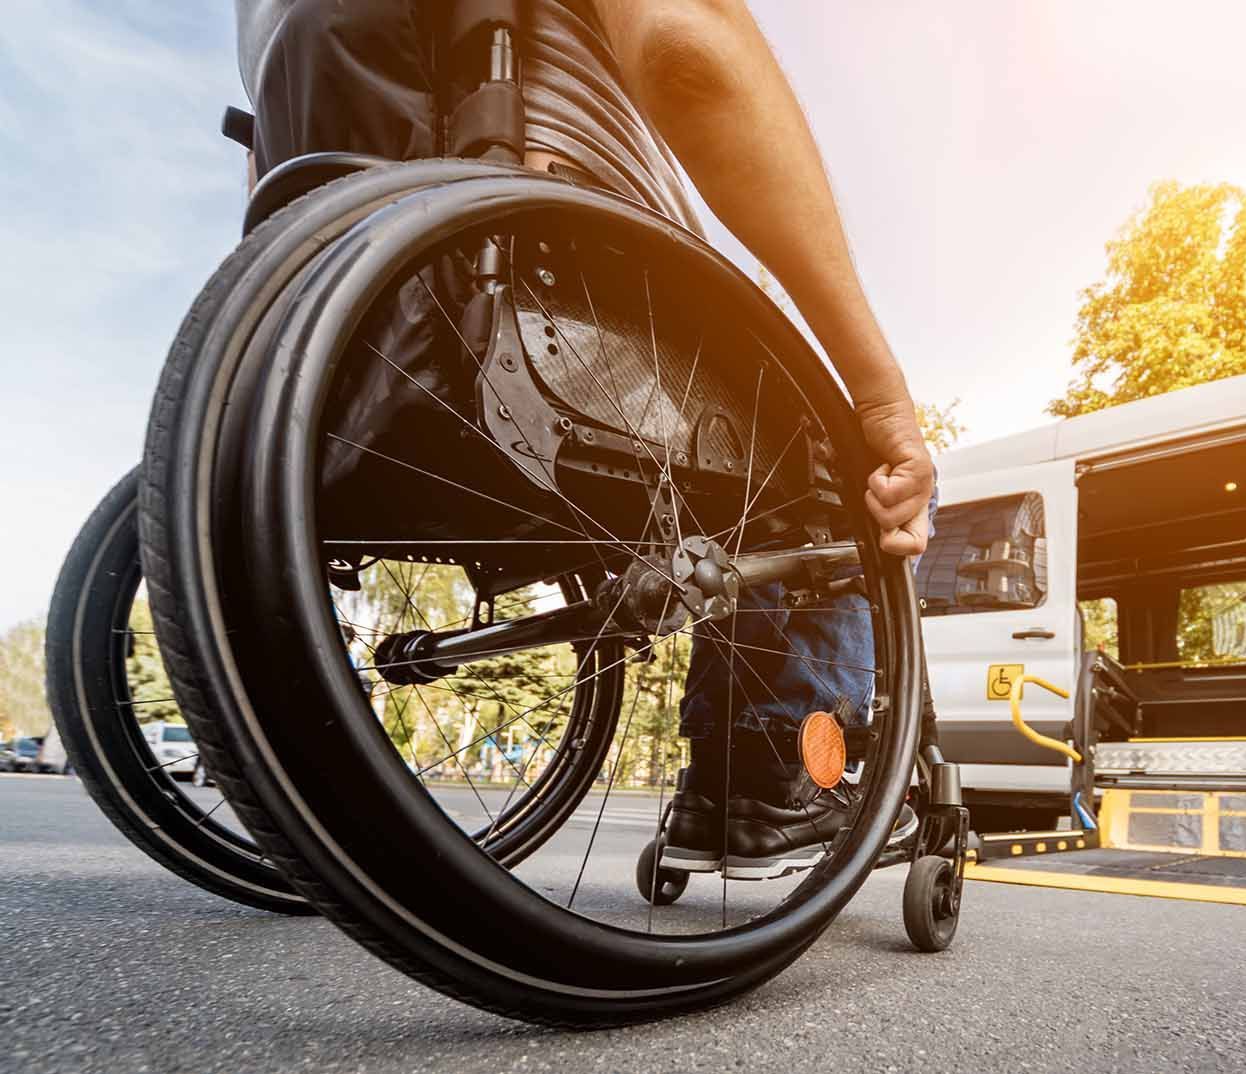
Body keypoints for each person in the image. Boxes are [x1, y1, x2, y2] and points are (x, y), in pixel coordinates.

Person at [235, 0, 935, 875]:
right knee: (841, 472)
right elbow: (687, 52)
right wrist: (878, 393)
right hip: (550, 290)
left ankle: (740, 777)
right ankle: (763, 790)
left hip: (358, 332)